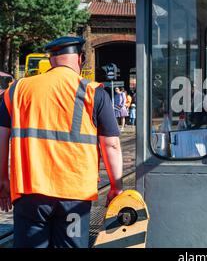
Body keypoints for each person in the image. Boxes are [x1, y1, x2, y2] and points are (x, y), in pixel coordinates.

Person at [0, 36, 123, 248]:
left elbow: (1, 138)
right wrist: (116, 187)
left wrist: (2, 179)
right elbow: (111, 145)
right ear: (80, 59)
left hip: (30, 191)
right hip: (74, 195)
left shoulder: (17, 89)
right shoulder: (94, 92)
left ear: (51, 59)